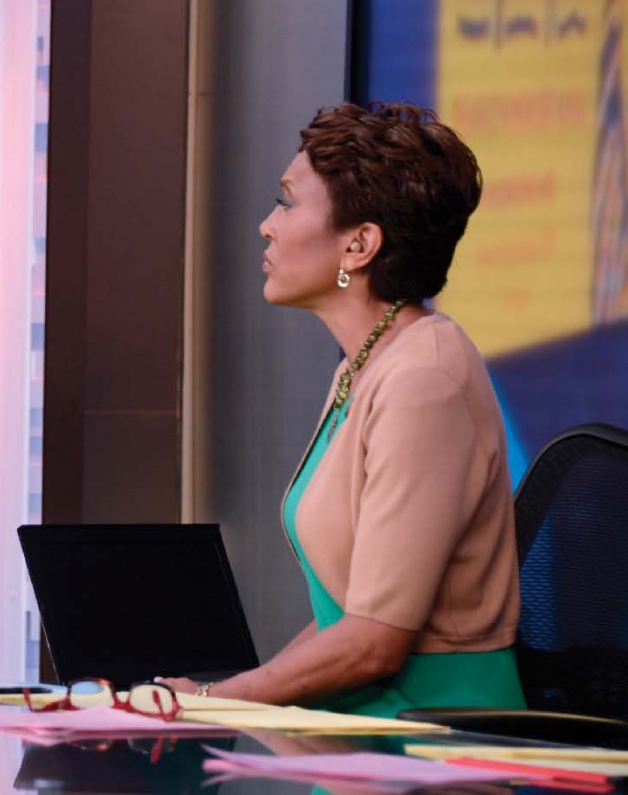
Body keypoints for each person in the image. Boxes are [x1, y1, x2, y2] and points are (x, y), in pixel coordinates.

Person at [161, 102, 526, 717]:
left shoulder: (423, 379)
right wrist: (229, 693)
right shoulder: (367, 362)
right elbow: (349, 622)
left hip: (436, 740)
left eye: (286, 201)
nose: (266, 226)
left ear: (359, 245)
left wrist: (208, 701)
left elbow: (374, 645)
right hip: (363, 727)